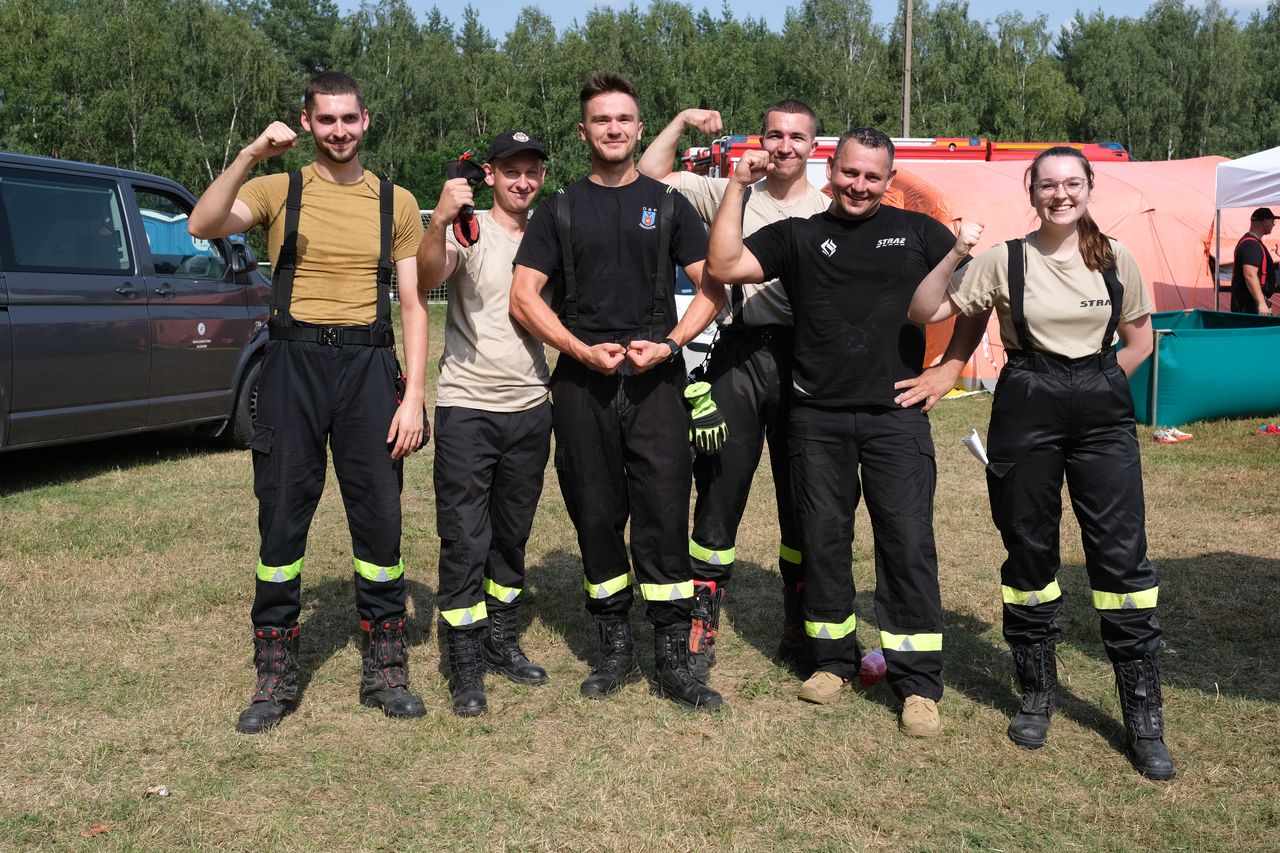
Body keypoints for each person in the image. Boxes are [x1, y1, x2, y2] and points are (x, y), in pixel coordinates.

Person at [900, 146, 1174, 780]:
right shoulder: (1005, 260)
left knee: (1121, 557)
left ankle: (1143, 715)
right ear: (1031, 192)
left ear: (1089, 189)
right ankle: (1035, 693)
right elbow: (925, 311)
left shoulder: (1117, 258)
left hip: (1101, 408)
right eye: (1048, 185)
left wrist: (1097, 386)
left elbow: (1139, 340)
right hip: (1027, 400)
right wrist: (957, 251)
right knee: (1028, 549)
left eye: (1072, 183)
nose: (1060, 195)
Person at [189, 71, 429, 733]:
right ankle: (275, 671)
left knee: (379, 519)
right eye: (326, 120)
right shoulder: (277, 188)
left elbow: (413, 304)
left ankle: (385, 666)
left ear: (366, 120)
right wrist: (250, 154)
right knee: (281, 519)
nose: (339, 131)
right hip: (292, 363)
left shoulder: (396, 201)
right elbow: (203, 222)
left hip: (370, 367)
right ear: (307, 122)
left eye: (349, 119)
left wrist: (414, 395)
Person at [707, 128, 965, 737]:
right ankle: (831, 661)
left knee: (906, 542)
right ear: (832, 170)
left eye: (873, 176)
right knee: (823, 538)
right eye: (850, 172)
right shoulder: (798, 234)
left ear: (889, 179)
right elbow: (723, 265)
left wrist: (950, 368)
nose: (860, 185)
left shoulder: (922, 233)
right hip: (816, 416)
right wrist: (736, 188)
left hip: (895, 416)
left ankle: (917, 684)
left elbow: (983, 296)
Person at [509, 70, 726, 711]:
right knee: (596, 513)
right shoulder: (559, 210)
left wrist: (672, 343)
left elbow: (712, 287)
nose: (613, 129)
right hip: (583, 382)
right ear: (584, 131)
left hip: (656, 378)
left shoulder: (669, 203)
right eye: (601, 120)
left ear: (638, 127)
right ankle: (614, 649)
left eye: (623, 119)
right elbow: (524, 296)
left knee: (664, 511)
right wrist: (578, 349)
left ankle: (672, 658)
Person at [636, 101, 831, 681]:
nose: (785, 146)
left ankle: (799, 620)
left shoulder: (830, 209)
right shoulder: (728, 190)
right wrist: (680, 122)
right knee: (719, 484)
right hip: (740, 351)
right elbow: (648, 176)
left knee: (804, 494)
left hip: (805, 358)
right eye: (775, 135)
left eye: (797, 137)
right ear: (760, 140)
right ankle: (703, 617)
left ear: (814, 147)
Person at [416, 132, 553, 717]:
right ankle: (464, 659)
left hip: (532, 406)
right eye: (511, 171)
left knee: (511, 536)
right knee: (465, 538)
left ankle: (500, 637)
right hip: (469, 406)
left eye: (532, 171)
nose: (522, 181)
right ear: (490, 174)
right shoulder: (469, 229)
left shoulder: (548, 234)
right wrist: (439, 220)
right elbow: (427, 278)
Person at [1230, 208, 1276, 315]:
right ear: (1264, 221)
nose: (1273, 225)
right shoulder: (1251, 244)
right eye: (1272, 221)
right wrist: (1261, 303)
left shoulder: (1252, 242)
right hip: (1248, 307)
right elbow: (1250, 275)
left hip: (1251, 304)